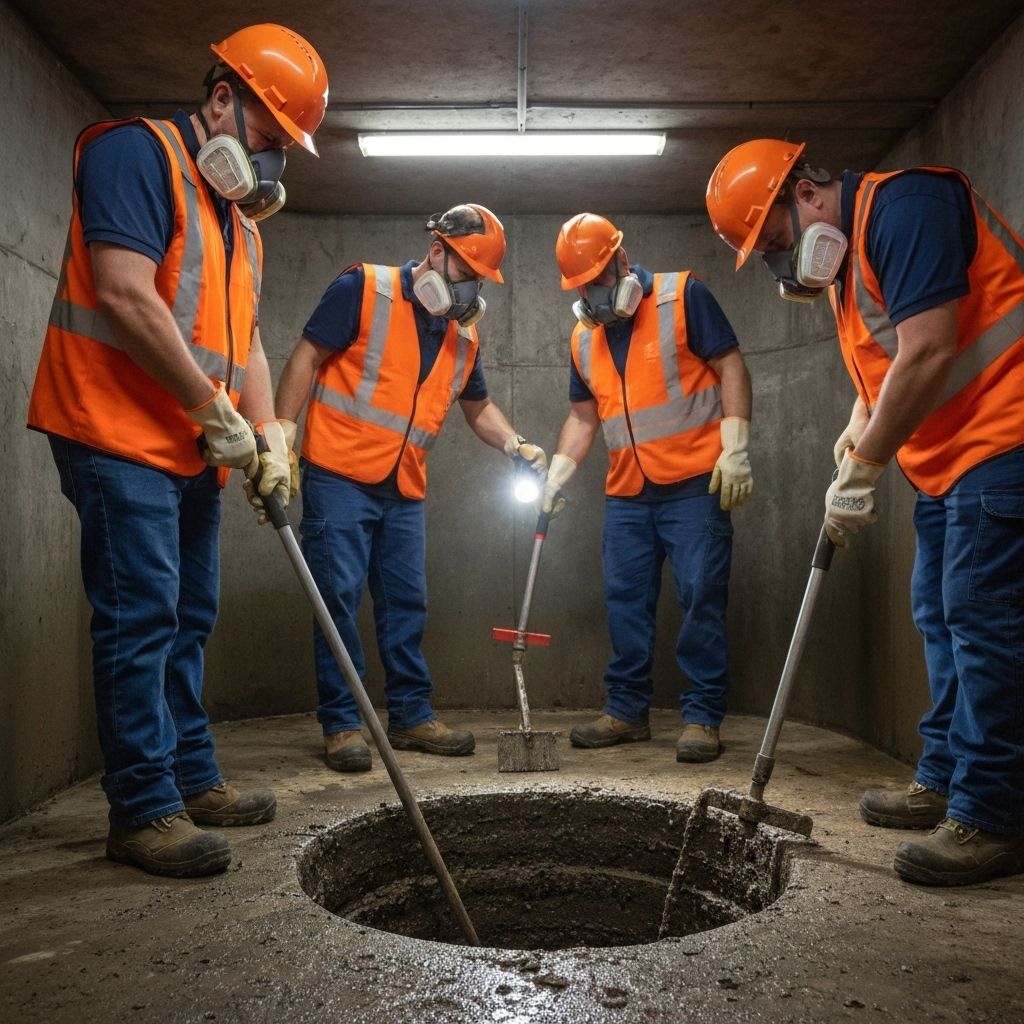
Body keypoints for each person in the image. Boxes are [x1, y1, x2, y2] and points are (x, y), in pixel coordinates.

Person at [26, 24, 329, 878]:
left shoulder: (239, 225)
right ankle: (142, 807)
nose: (269, 161)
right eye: (266, 138)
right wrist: (212, 409)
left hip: (192, 442)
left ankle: (192, 776)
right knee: (141, 616)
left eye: (282, 149)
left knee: (190, 613)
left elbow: (251, 342)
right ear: (223, 97)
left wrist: (268, 435)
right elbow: (123, 293)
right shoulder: (134, 154)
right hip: (116, 430)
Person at [706, 138, 1024, 886]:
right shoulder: (852, 265)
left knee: (985, 629)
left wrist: (867, 466)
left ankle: (993, 814)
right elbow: (886, 362)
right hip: (949, 461)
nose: (785, 263)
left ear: (807, 193)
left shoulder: (906, 207)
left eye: (778, 241)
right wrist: (859, 426)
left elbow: (930, 349)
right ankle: (945, 775)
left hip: (1005, 439)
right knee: (943, 619)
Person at [274, 204, 547, 772]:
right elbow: (307, 356)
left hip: (403, 487)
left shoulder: (461, 337)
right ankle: (344, 725)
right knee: (339, 601)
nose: (470, 288)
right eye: (466, 271)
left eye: (480, 280)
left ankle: (410, 715)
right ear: (437, 252)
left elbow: (479, 409)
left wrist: (517, 445)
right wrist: (280, 435)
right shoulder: (363, 289)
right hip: (339, 475)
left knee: (406, 605)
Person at [541, 213, 753, 763]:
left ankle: (703, 715)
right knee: (624, 601)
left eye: (598, 277)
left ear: (621, 259)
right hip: (629, 492)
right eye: (581, 285)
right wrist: (556, 474)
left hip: (694, 485)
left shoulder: (684, 296)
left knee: (701, 596)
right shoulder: (583, 338)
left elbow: (730, 365)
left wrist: (736, 447)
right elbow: (583, 417)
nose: (593, 292)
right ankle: (627, 710)